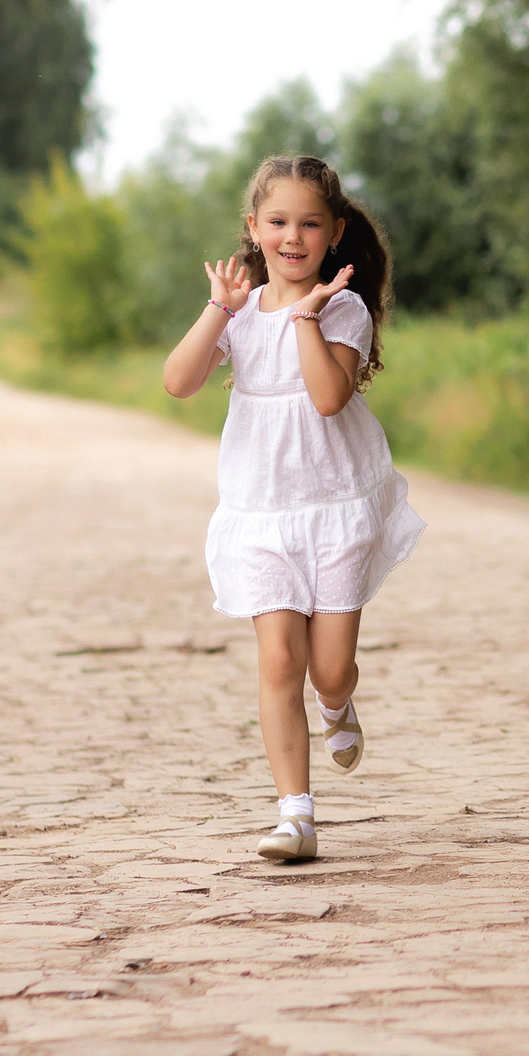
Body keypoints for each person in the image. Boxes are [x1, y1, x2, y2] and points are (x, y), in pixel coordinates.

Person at [163, 154, 425, 862]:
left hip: (333, 508)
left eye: (310, 223)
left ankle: (338, 705)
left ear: (335, 232)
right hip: (263, 511)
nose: (293, 236)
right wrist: (218, 306)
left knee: (328, 669)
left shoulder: (341, 307)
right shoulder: (240, 311)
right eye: (277, 221)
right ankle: (295, 816)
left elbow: (328, 396)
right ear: (253, 228)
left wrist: (305, 317)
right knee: (280, 659)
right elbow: (178, 380)